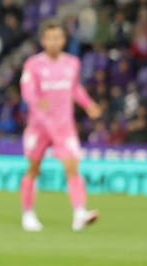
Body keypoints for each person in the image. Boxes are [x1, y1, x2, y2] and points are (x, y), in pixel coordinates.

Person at [19, 21, 103, 232]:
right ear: (43, 41)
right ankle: (28, 213)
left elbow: (74, 88)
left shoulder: (72, 63)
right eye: (50, 38)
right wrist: (39, 103)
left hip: (64, 125)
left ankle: (79, 214)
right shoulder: (33, 64)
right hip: (39, 126)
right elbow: (27, 91)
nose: (54, 42)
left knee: (72, 167)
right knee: (33, 169)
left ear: (64, 40)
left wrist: (88, 104)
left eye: (58, 37)